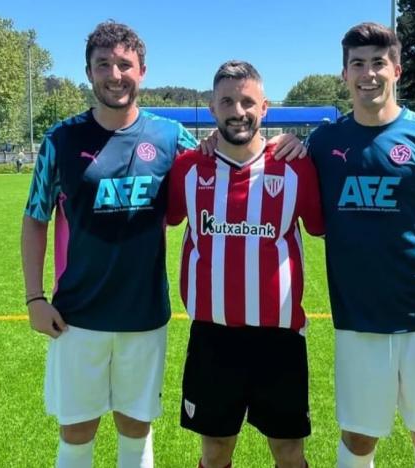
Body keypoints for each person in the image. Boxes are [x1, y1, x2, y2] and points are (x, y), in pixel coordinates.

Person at [20, 21, 303, 468]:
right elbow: (35, 219)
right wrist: (35, 297)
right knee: (76, 431)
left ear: (142, 71)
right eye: (104, 65)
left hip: (145, 315)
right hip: (75, 315)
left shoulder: (169, 138)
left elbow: (230, 152)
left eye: (124, 65)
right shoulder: (61, 139)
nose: (115, 74)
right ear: (89, 73)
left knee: (136, 428)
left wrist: (286, 142)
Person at [307, 22, 415, 468]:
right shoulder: (323, 142)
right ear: (344, 74)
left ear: (397, 70)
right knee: (359, 439)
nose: (368, 73)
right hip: (357, 321)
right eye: (357, 64)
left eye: (378, 63)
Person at [167, 60, 324, 468]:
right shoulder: (187, 168)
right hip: (213, 338)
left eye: (248, 101)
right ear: (212, 108)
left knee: (289, 452)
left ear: (265, 107)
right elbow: (161, 220)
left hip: (280, 340)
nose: (238, 111)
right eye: (227, 101)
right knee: (215, 450)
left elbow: (322, 226)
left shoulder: (295, 165)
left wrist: (306, 142)